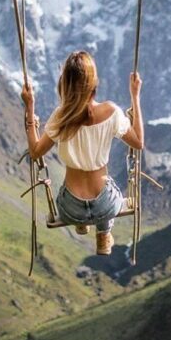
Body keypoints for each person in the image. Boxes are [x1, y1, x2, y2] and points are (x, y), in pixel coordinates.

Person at [21, 51, 144, 255]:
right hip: (105, 206)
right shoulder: (111, 112)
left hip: (71, 210)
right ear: (94, 83)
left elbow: (35, 152)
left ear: (65, 84)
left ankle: (82, 223)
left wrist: (29, 107)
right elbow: (138, 142)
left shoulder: (60, 117)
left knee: (73, 198)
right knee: (108, 189)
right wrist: (135, 96)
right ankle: (103, 233)